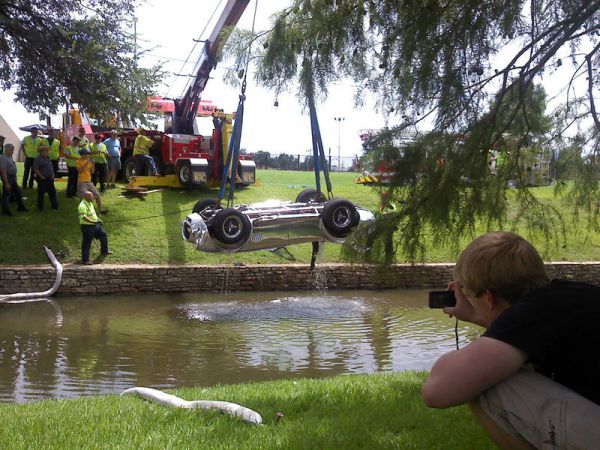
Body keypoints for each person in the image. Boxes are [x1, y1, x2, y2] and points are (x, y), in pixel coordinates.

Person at [422, 231, 600, 449]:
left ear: (489, 297)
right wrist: (481, 316)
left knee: (484, 383)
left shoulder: (531, 314)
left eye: (468, 294)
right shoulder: (568, 295)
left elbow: (437, 391)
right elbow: (528, 333)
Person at [78, 190, 111, 265]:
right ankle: (85, 260)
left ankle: (104, 251)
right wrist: (94, 222)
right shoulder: (82, 205)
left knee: (103, 235)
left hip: (95, 225)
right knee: (87, 243)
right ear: (86, 197)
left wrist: (98, 220)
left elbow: (93, 214)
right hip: (87, 227)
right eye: (91, 196)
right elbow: (84, 217)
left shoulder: (90, 203)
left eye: (92, 196)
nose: (92, 197)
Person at [76, 147, 107, 214]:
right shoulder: (78, 161)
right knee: (82, 197)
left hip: (89, 181)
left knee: (97, 195)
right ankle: (82, 212)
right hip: (82, 182)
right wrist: (86, 163)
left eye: (88, 154)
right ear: (82, 155)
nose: (88, 155)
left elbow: (92, 172)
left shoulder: (89, 161)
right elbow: (80, 171)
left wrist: (93, 164)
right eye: (86, 154)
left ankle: (100, 210)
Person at [0, 144, 28, 215]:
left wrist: (14, 178)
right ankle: (5, 210)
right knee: (7, 194)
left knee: (18, 192)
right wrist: (6, 183)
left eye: (12, 150)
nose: (12, 152)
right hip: (8, 177)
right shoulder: (3, 158)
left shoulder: (10, 157)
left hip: (12, 177)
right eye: (11, 150)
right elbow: (3, 171)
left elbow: (13, 167)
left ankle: (21, 207)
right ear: (6, 150)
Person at [33, 145, 58, 211]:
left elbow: (51, 167)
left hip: (50, 178)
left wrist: (52, 175)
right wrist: (41, 176)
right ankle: (40, 208)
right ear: (41, 151)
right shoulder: (38, 159)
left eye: (47, 151)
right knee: (41, 194)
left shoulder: (48, 158)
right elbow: (36, 169)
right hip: (43, 179)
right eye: (46, 151)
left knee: (53, 192)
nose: (47, 152)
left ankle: (54, 206)